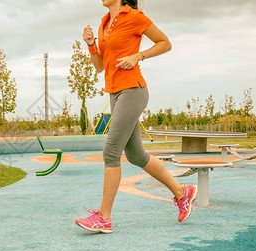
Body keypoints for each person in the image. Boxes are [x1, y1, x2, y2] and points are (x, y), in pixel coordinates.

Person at [75, 0, 198, 233]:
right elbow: (100, 67)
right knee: (136, 155)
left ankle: (104, 218)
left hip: (133, 89)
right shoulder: (103, 24)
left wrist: (138, 56)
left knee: (111, 152)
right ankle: (183, 193)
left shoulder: (135, 17)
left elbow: (165, 43)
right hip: (114, 93)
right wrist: (91, 45)